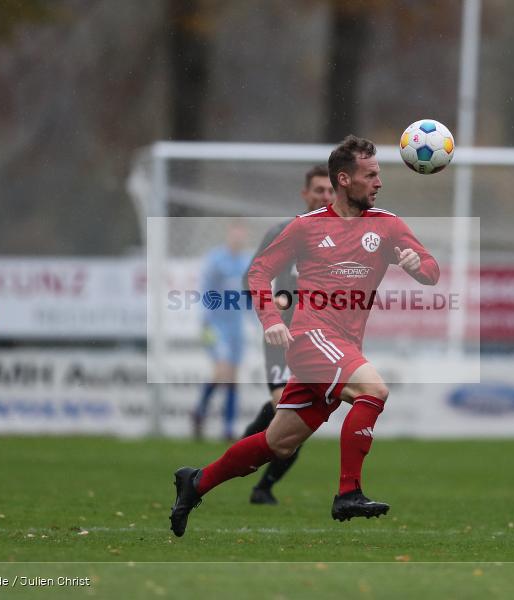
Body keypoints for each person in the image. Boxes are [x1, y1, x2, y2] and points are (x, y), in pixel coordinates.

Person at [170, 136, 440, 537]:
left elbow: (432, 273)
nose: (379, 182)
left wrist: (418, 264)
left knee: (278, 443)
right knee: (374, 390)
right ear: (345, 180)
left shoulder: (387, 225)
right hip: (312, 337)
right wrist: (271, 320)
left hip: (345, 345)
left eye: (379, 174)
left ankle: (196, 482)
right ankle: (348, 492)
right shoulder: (305, 228)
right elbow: (258, 272)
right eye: (371, 175)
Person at [240, 165, 335, 505]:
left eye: (330, 191)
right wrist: (275, 303)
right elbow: (251, 279)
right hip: (283, 338)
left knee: (296, 420)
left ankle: (260, 480)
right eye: (319, 190)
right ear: (305, 194)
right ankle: (247, 465)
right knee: (286, 406)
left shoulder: (344, 237)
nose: (325, 196)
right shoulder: (283, 232)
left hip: (321, 341)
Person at [192, 223, 251, 440]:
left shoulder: (247, 262)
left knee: (232, 377)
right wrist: (205, 320)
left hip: (236, 327)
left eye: (241, 235)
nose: (238, 239)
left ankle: (226, 426)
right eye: (235, 234)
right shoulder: (216, 260)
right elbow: (206, 291)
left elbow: (250, 297)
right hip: (216, 325)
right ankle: (201, 412)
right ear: (228, 235)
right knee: (222, 370)